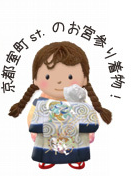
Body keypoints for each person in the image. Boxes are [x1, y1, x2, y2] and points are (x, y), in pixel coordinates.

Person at [9, 41, 112, 169]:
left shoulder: (79, 102)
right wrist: (34, 129)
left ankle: (75, 159)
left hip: (75, 139)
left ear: (85, 79)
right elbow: (32, 118)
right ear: (35, 80)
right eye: (48, 76)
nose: (59, 81)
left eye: (70, 76)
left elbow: (90, 119)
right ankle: (48, 159)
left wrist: (89, 131)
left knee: (76, 148)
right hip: (47, 139)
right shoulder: (41, 103)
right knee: (46, 148)